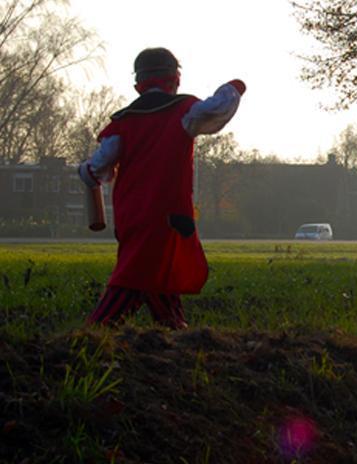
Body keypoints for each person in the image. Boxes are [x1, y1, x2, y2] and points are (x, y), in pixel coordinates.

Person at [78, 48, 246, 328]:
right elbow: (217, 108)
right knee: (135, 275)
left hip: (132, 215)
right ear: (175, 79)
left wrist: (84, 173)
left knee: (156, 272)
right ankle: (97, 330)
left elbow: (97, 167)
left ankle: (173, 328)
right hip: (170, 213)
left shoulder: (122, 122)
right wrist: (235, 87)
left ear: (137, 85)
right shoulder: (183, 112)